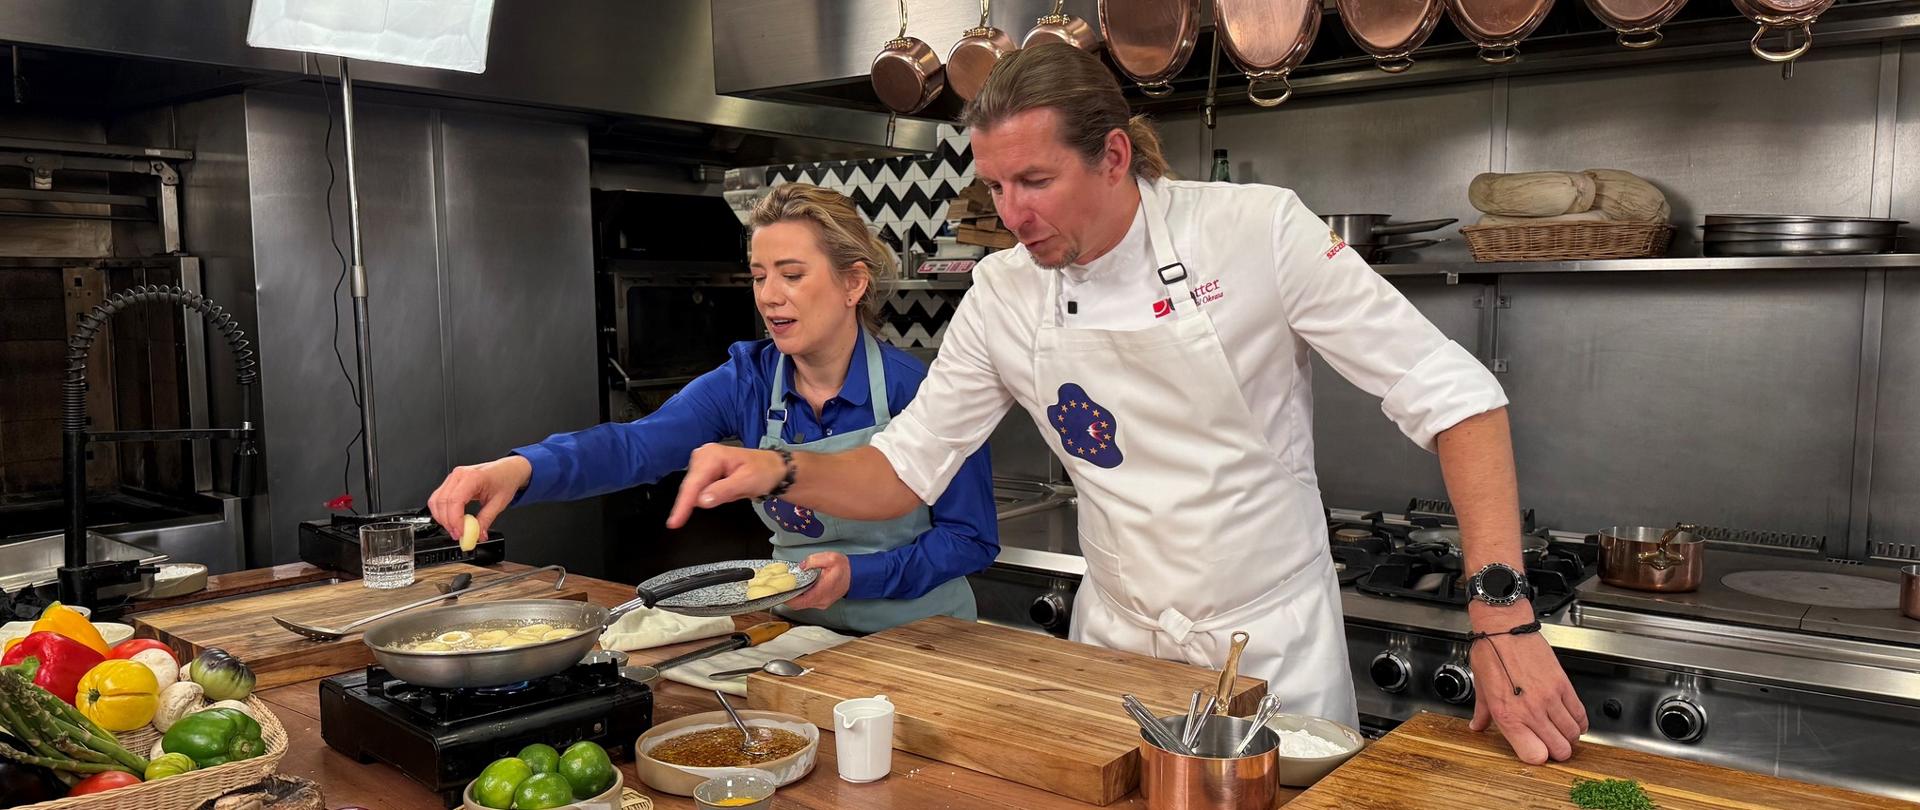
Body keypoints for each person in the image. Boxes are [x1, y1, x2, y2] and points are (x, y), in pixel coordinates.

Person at [665, 44, 1588, 764]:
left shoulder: (1254, 232)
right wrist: (785, 468)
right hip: (1113, 649)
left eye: (1034, 182)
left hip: (1268, 642)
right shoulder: (1003, 290)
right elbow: (906, 468)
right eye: (993, 186)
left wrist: (1501, 618)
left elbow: (1456, 396)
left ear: (1113, 157)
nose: (1012, 215)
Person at [428, 183, 998, 634]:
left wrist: (859, 575)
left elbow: (970, 538)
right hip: (803, 639)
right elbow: (635, 445)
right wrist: (519, 469)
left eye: (792, 275)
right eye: (758, 276)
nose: (770, 295)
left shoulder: (921, 391)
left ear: (853, 283)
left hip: (925, 643)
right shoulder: (746, 382)